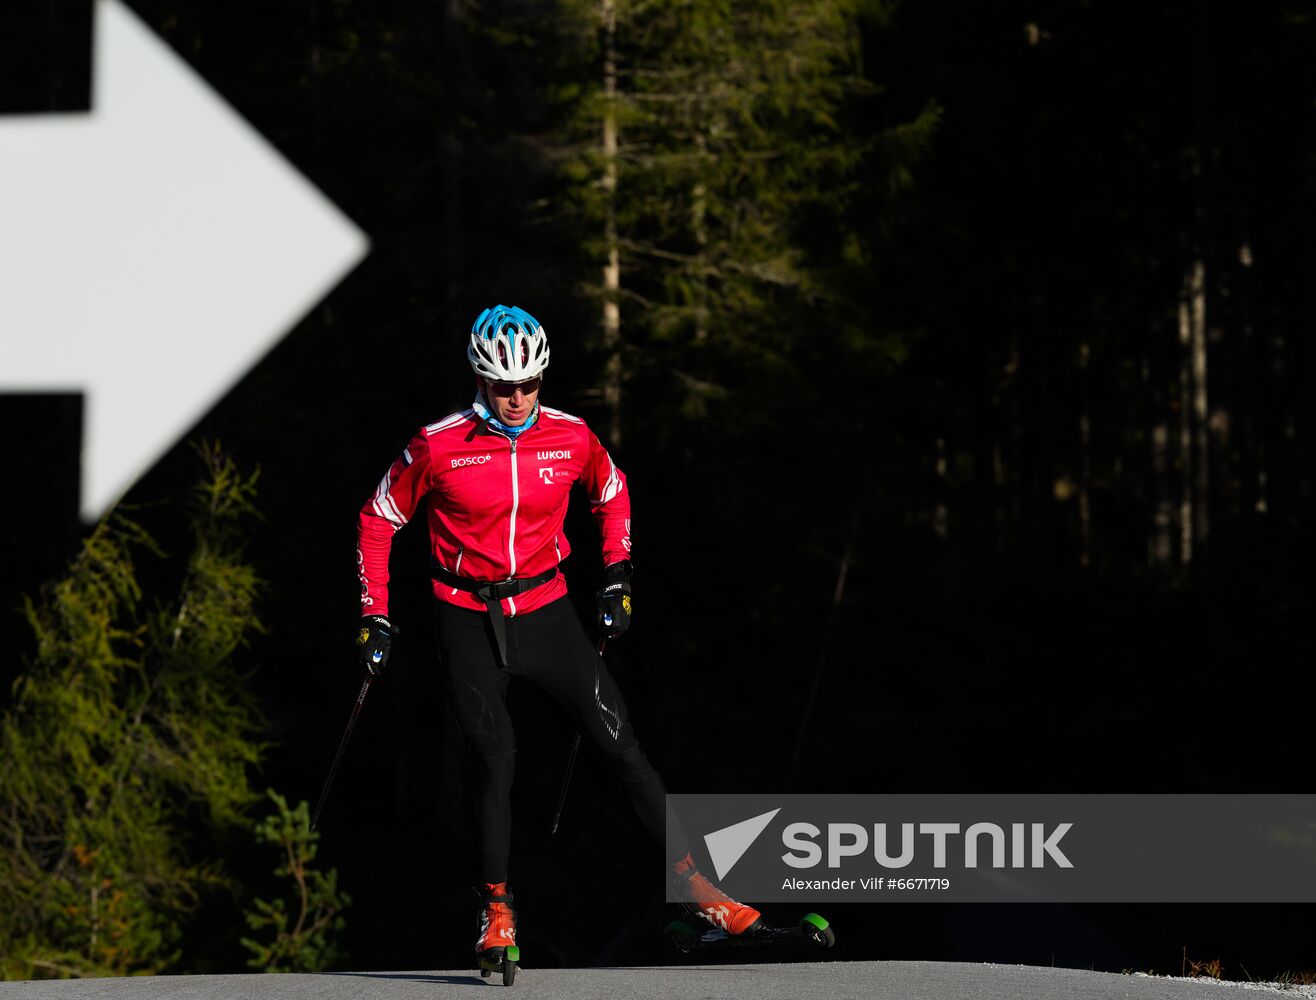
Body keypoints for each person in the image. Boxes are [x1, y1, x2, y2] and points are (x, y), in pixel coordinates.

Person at [353, 305, 761, 967]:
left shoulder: (570, 437)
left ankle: (695, 888)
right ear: (480, 380)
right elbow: (377, 519)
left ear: (542, 378)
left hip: (547, 610)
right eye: (501, 386)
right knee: (496, 758)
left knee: (623, 745)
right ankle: (496, 909)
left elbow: (613, 492)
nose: (516, 399)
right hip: (466, 618)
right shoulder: (438, 444)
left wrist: (617, 575)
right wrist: (376, 614)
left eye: (529, 385)